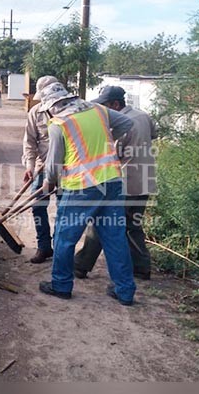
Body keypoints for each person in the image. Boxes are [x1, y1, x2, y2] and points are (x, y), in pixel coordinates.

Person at [35, 82, 137, 305]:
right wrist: (108, 140)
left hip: (81, 186)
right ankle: (125, 291)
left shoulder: (59, 123)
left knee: (64, 236)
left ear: (52, 106)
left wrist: (49, 183)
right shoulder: (98, 110)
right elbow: (127, 123)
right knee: (115, 238)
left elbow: (53, 166)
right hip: (111, 181)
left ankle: (61, 285)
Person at [74, 86, 158, 280]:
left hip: (125, 182)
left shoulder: (122, 123)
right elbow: (153, 135)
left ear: (115, 104)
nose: (103, 110)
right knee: (133, 224)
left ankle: (81, 265)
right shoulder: (143, 116)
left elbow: (111, 153)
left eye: (105, 105)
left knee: (102, 222)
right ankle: (141, 267)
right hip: (144, 181)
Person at [22, 75, 60, 264]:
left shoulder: (68, 112)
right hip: (41, 168)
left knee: (64, 210)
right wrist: (29, 166)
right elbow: (29, 142)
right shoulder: (35, 112)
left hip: (66, 169)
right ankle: (44, 247)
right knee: (38, 207)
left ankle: (60, 249)